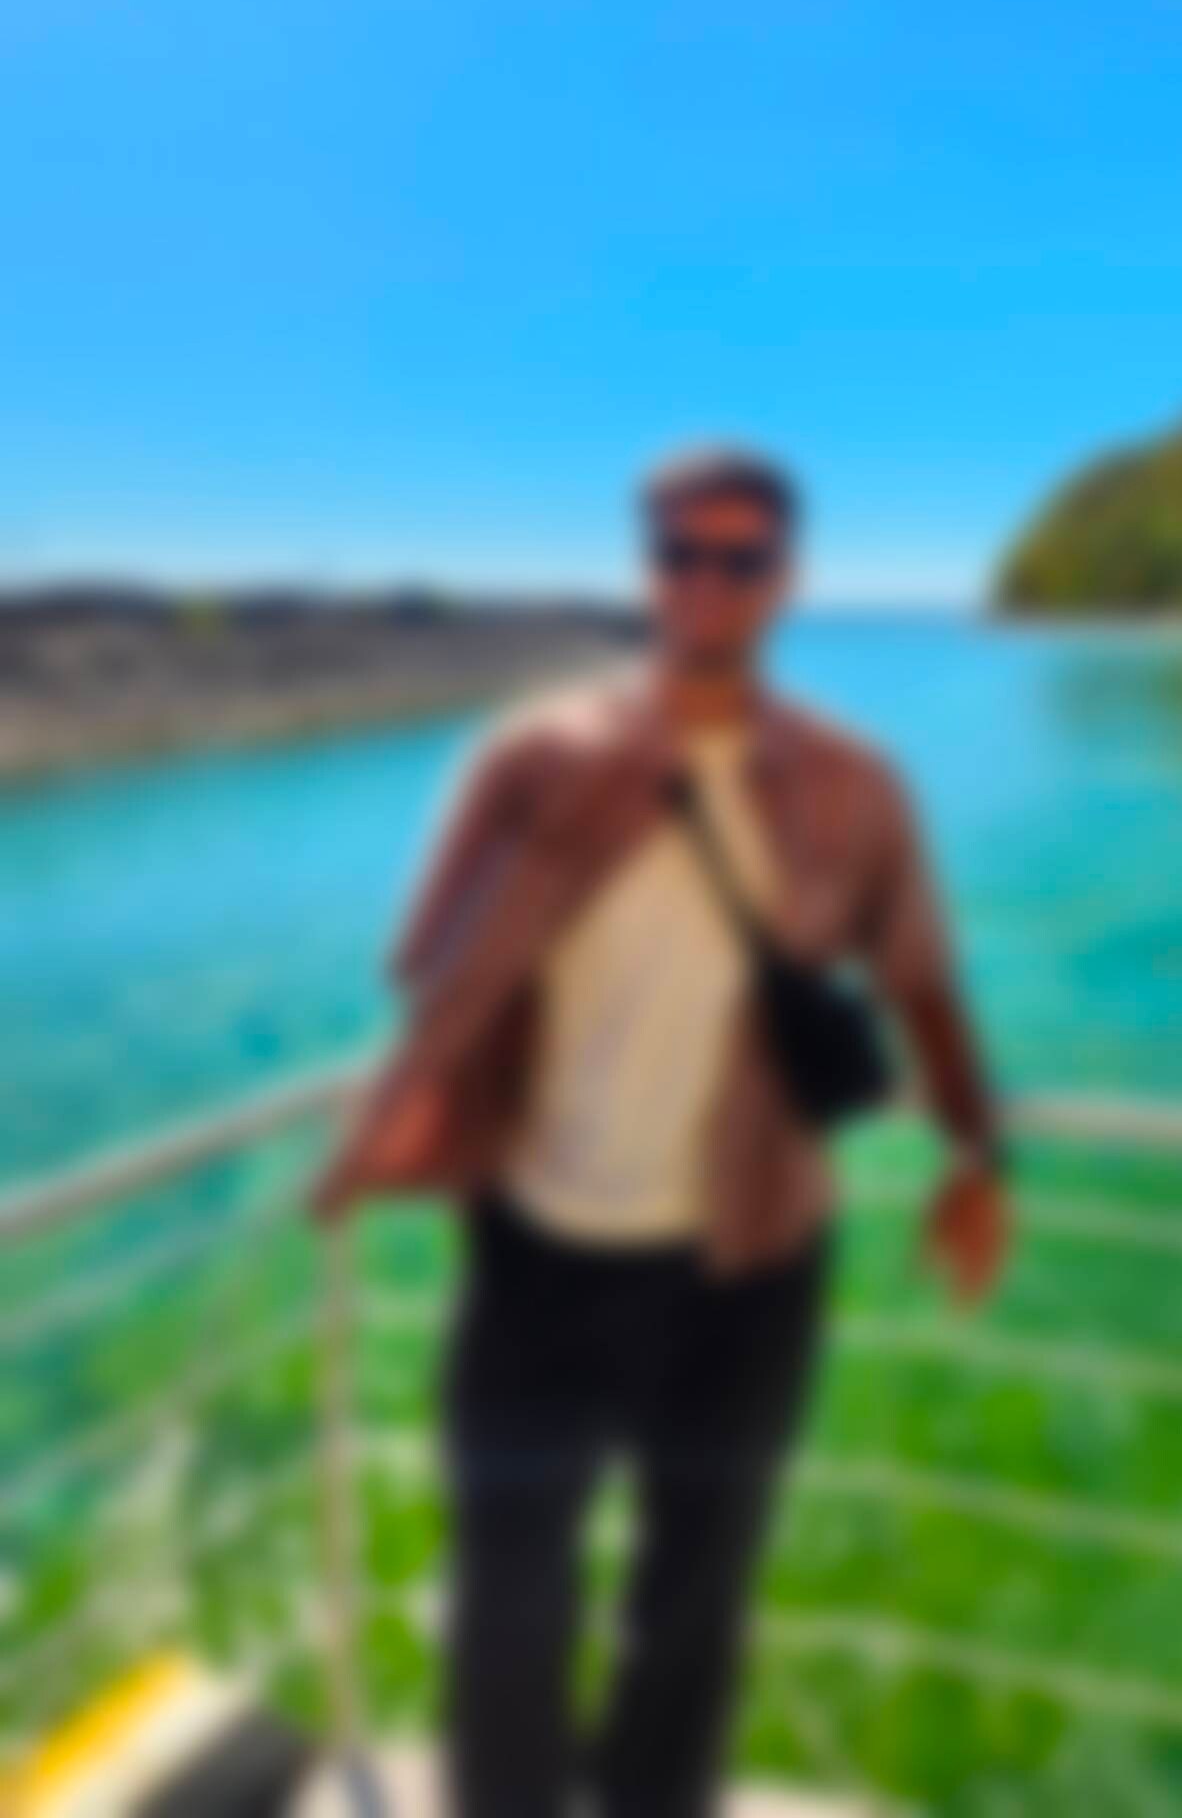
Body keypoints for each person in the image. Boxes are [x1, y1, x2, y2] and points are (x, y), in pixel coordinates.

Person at [314, 445, 1009, 1818]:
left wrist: (978, 1158)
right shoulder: (533, 756)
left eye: (740, 560)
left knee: (695, 1604)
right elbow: (439, 974)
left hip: (750, 1259)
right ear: (646, 570)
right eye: (680, 554)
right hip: (535, 1247)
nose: (706, 584)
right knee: (507, 1596)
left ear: (787, 581)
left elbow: (921, 978)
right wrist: (405, 1115)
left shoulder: (852, 783)